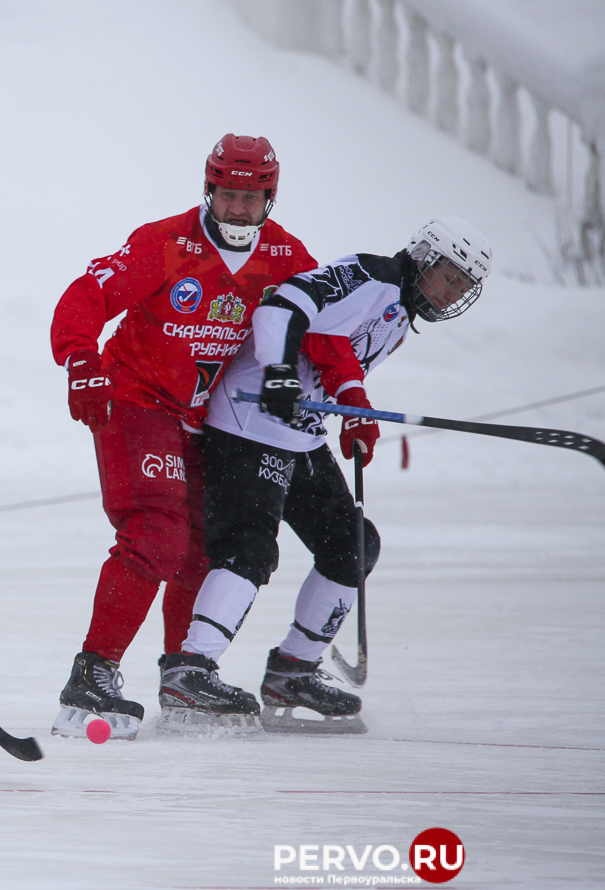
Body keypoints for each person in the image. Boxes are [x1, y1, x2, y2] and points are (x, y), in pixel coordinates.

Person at [167, 217, 493, 733]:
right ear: (424, 257)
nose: (450, 290)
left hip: (299, 434)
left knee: (352, 543)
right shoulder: (372, 275)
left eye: (461, 285)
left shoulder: (400, 314)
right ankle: (192, 668)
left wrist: (352, 408)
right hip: (248, 422)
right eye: (447, 275)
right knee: (250, 549)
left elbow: (331, 349)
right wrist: (277, 371)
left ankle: (292, 671)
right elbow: (285, 306)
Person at [48, 134, 318, 740]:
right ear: (209, 188)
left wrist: (345, 394)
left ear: (270, 196)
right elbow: (88, 294)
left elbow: (321, 323)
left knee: (201, 546)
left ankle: (184, 676)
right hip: (135, 400)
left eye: (252, 198)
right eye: (227, 194)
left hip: (207, 421)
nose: (238, 209)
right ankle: (93, 671)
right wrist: (79, 358)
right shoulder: (165, 243)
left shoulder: (286, 257)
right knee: (155, 534)